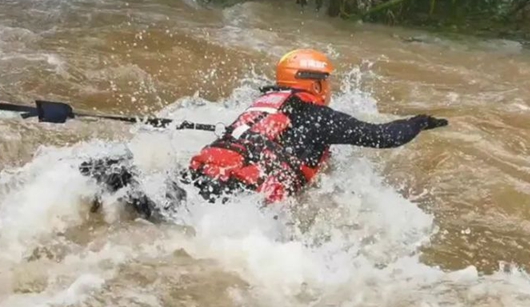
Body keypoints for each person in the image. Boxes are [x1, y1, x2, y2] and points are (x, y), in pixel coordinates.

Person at [80, 48, 448, 221]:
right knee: (173, 220)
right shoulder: (317, 116)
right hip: (235, 198)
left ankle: (115, 177)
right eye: (326, 81)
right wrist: (418, 122)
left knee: (157, 206)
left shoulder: (261, 104)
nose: (329, 89)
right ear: (315, 83)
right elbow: (383, 137)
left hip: (202, 177)